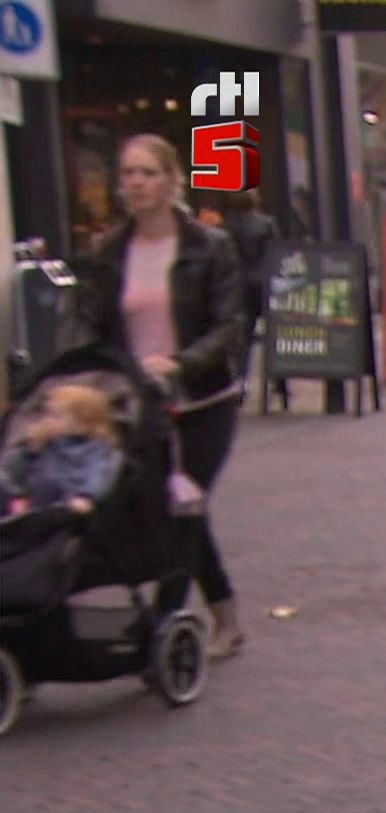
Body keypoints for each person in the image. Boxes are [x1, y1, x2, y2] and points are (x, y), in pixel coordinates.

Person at [77, 133, 246, 657]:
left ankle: (164, 624)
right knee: (177, 508)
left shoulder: (208, 246)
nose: (136, 183)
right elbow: (93, 322)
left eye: (147, 173)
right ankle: (225, 617)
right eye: (128, 173)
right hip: (140, 402)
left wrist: (180, 363)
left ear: (173, 180)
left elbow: (228, 325)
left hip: (203, 400)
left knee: (183, 505)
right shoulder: (111, 250)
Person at [1, 384, 122, 516]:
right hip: (28, 498)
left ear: (82, 424)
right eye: (46, 414)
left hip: (65, 501)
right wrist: (31, 449)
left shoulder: (98, 449)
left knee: (49, 482)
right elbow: (13, 471)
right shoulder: (48, 443)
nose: (47, 421)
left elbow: (98, 474)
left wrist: (85, 496)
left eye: (56, 416)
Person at [220, 188, 278, 401]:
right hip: (262, 282)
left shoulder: (226, 226)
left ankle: (240, 381)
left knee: (244, 338)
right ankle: (279, 381)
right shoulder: (266, 223)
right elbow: (275, 252)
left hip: (239, 285)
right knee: (275, 331)